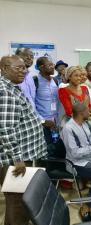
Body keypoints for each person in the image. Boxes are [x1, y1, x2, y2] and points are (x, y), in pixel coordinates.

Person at [0, 55, 47, 225]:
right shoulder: (5, 91)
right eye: (18, 68)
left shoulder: (11, 86)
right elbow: (6, 129)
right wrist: (17, 159)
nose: (25, 71)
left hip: (19, 157)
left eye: (24, 68)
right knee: (17, 202)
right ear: (4, 68)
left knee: (19, 201)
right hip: (15, 160)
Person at [35, 57, 59, 145]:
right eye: (49, 65)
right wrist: (43, 121)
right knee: (46, 151)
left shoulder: (56, 81)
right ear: (41, 67)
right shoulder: (35, 81)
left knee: (57, 150)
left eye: (53, 64)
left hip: (56, 123)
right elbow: (31, 104)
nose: (53, 66)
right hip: (43, 124)